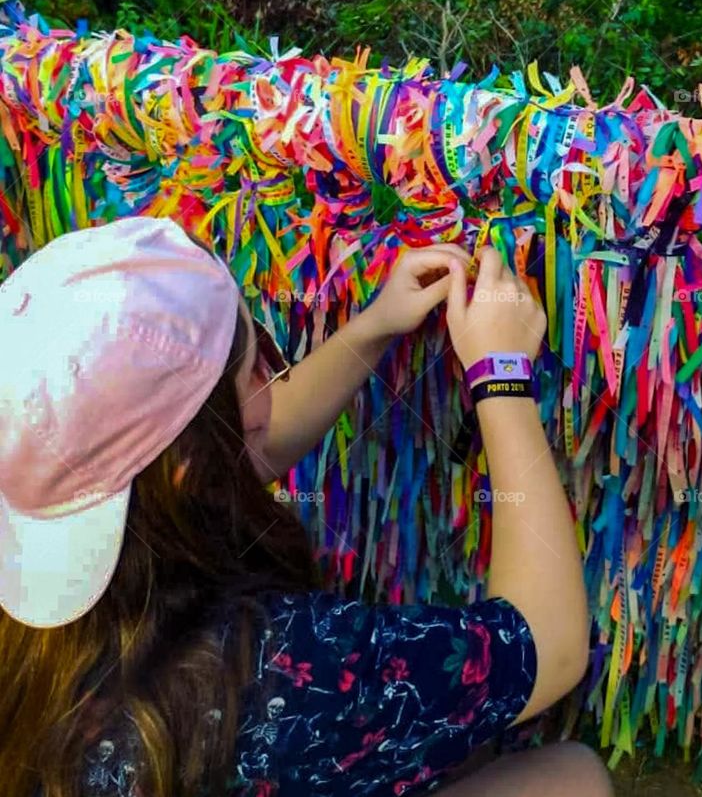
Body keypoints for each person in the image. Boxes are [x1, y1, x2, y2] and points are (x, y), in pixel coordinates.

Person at [0, 216, 612, 797]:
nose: (273, 380)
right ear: (191, 465)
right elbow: (546, 649)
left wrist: (373, 327)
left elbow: (226, 454)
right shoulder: (276, 674)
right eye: (258, 364)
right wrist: (501, 373)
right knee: (573, 777)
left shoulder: (42, 490)